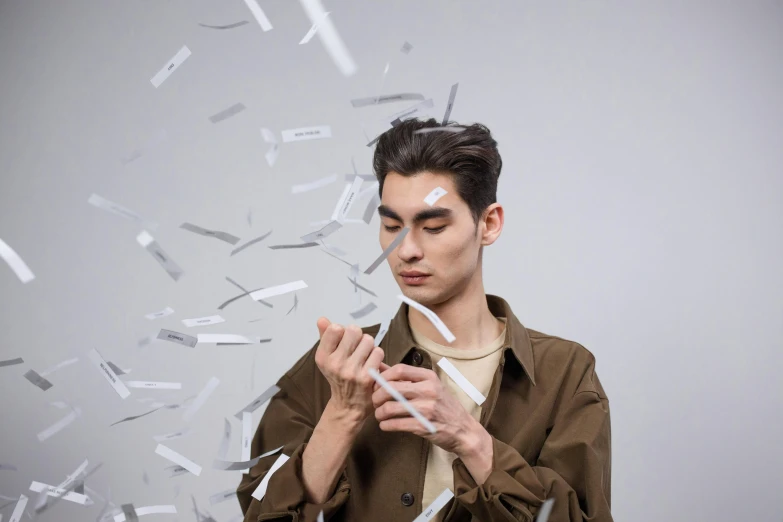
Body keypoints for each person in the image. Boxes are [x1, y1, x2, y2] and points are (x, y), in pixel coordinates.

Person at [237, 118, 612, 522]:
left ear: (488, 224)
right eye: (391, 226)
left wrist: (468, 438)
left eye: (432, 227)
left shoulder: (566, 374)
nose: (406, 250)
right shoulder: (337, 366)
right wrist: (341, 416)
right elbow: (260, 514)